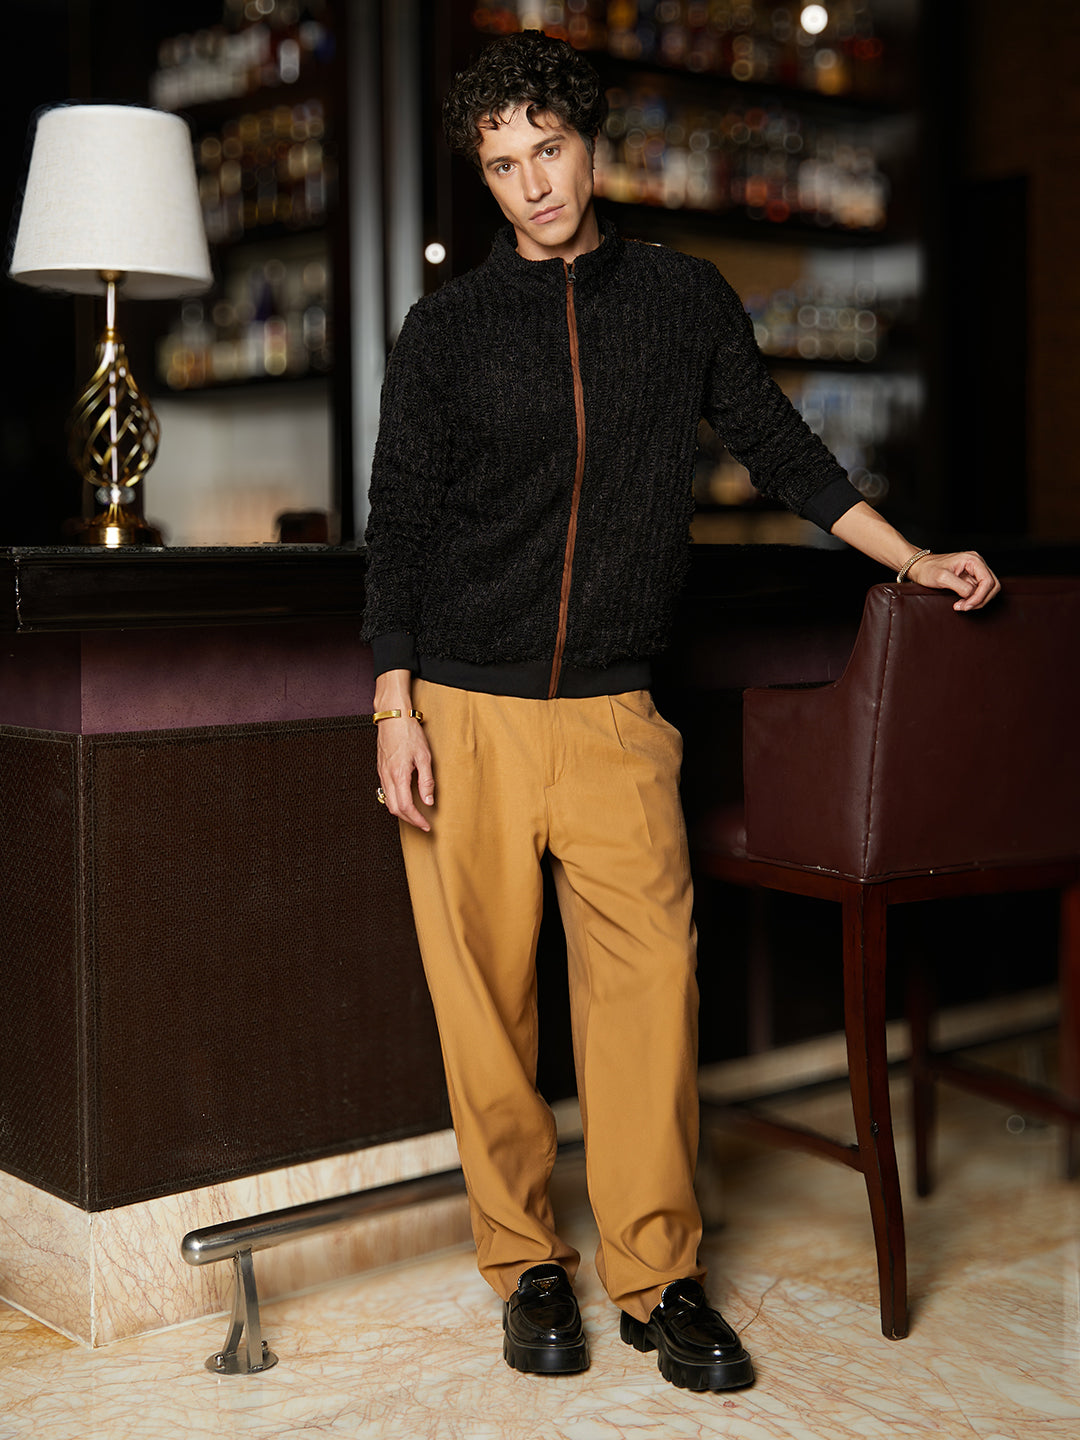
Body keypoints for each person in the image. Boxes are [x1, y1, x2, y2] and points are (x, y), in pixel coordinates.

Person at [362, 31, 999, 1393]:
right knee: (484, 1013)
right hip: (463, 712)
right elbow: (399, 520)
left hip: (614, 713)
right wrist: (392, 702)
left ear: (591, 143)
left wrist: (911, 558)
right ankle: (526, 1263)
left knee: (650, 1003)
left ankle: (658, 1277)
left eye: (548, 150)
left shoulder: (681, 297)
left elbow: (781, 449)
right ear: (485, 178)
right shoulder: (446, 330)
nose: (534, 185)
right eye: (503, 166)